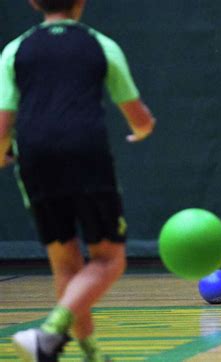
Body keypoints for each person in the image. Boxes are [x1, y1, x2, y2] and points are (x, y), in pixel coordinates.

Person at [0, 0, 155, 360]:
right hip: (86, 155)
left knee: (65, 263)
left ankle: (90, 353)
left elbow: (3, 126)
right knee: (110, 260)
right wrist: (141, 130)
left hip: (35, 158)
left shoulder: (15, 49)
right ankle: (50, 332)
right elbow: (138, 115)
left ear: (33, 2)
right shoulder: (100, 44)